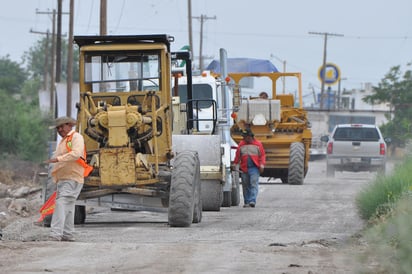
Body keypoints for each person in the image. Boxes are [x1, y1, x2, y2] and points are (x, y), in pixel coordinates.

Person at [45, 116, 86, 241]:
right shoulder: (64, 141)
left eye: (62, 127)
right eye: (58, 128)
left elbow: (76, 153)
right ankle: (68, 234)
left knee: (61, 203)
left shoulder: (76, 137)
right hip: (65, 178)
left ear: (69, 125)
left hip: (72, 177)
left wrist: (58, 159)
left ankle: (56, 233)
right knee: (68, 205)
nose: (60, 130)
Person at [234, 128, 266, 208]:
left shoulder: (258, 144)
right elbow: (238, 156)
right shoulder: (241, 144)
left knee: (253, 184)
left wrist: (262, 165)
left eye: (246, 137)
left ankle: (252, 200)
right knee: (246, 185)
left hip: (254, 168)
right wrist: (235, 164)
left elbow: (262, 155)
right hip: (244, 168)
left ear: (250, 136)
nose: (244, 138)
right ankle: (247, 202)